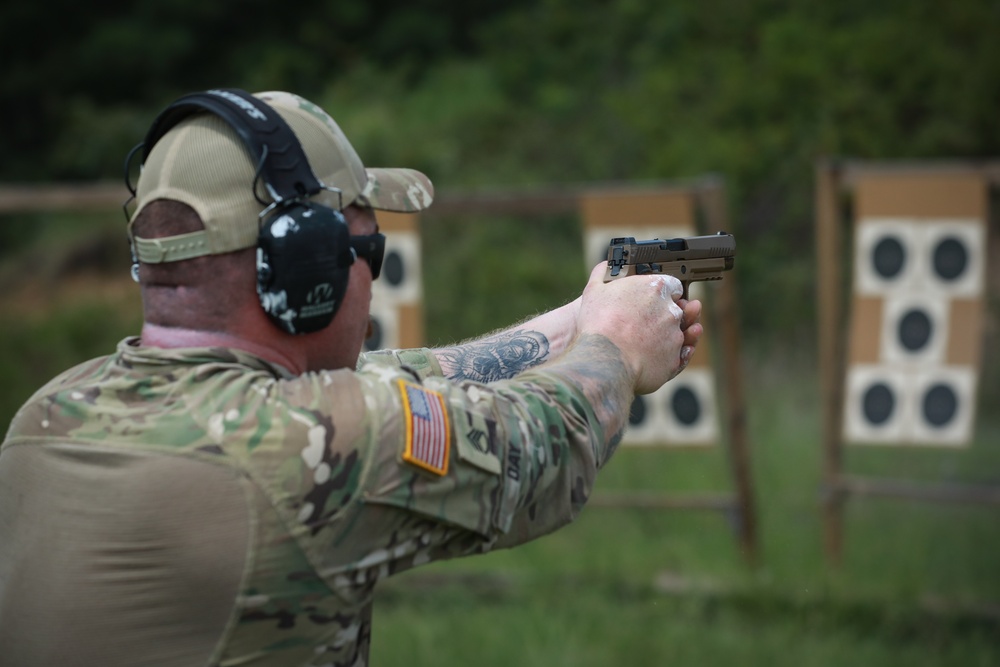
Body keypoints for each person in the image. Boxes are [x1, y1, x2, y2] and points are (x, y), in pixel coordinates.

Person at [0, 89, 703, 667]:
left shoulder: (50, 414)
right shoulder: (315, 443)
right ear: (304, 267)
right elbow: (546, 442)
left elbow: (396, 377)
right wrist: (617, 347)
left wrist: (582, 317)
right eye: (369, 246)